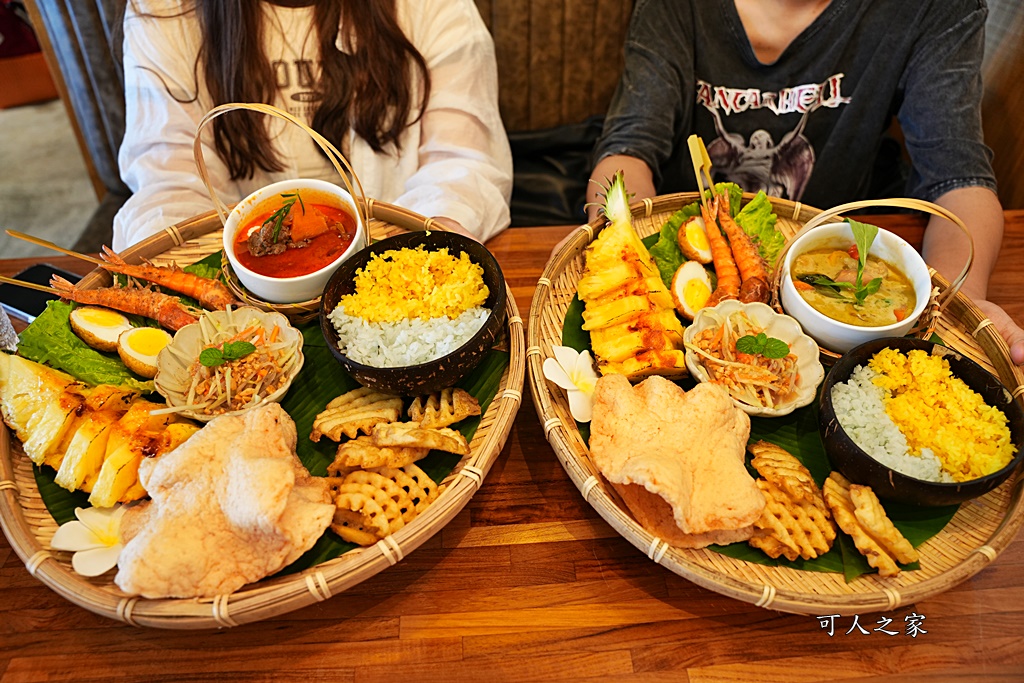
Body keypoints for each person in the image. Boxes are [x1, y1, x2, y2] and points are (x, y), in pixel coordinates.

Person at [588, 0, 1024, 365]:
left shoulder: (930, 8)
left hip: (840, 272)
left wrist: (954, 305)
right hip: (690, 246)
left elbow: (959, 178)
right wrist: (616, 247)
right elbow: (628, 149)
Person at [113, 0, 512, 251]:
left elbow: (461, 161)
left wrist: (412, 252)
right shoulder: (164, 11)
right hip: (245, 276)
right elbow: (170, 179)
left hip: (393, 252)